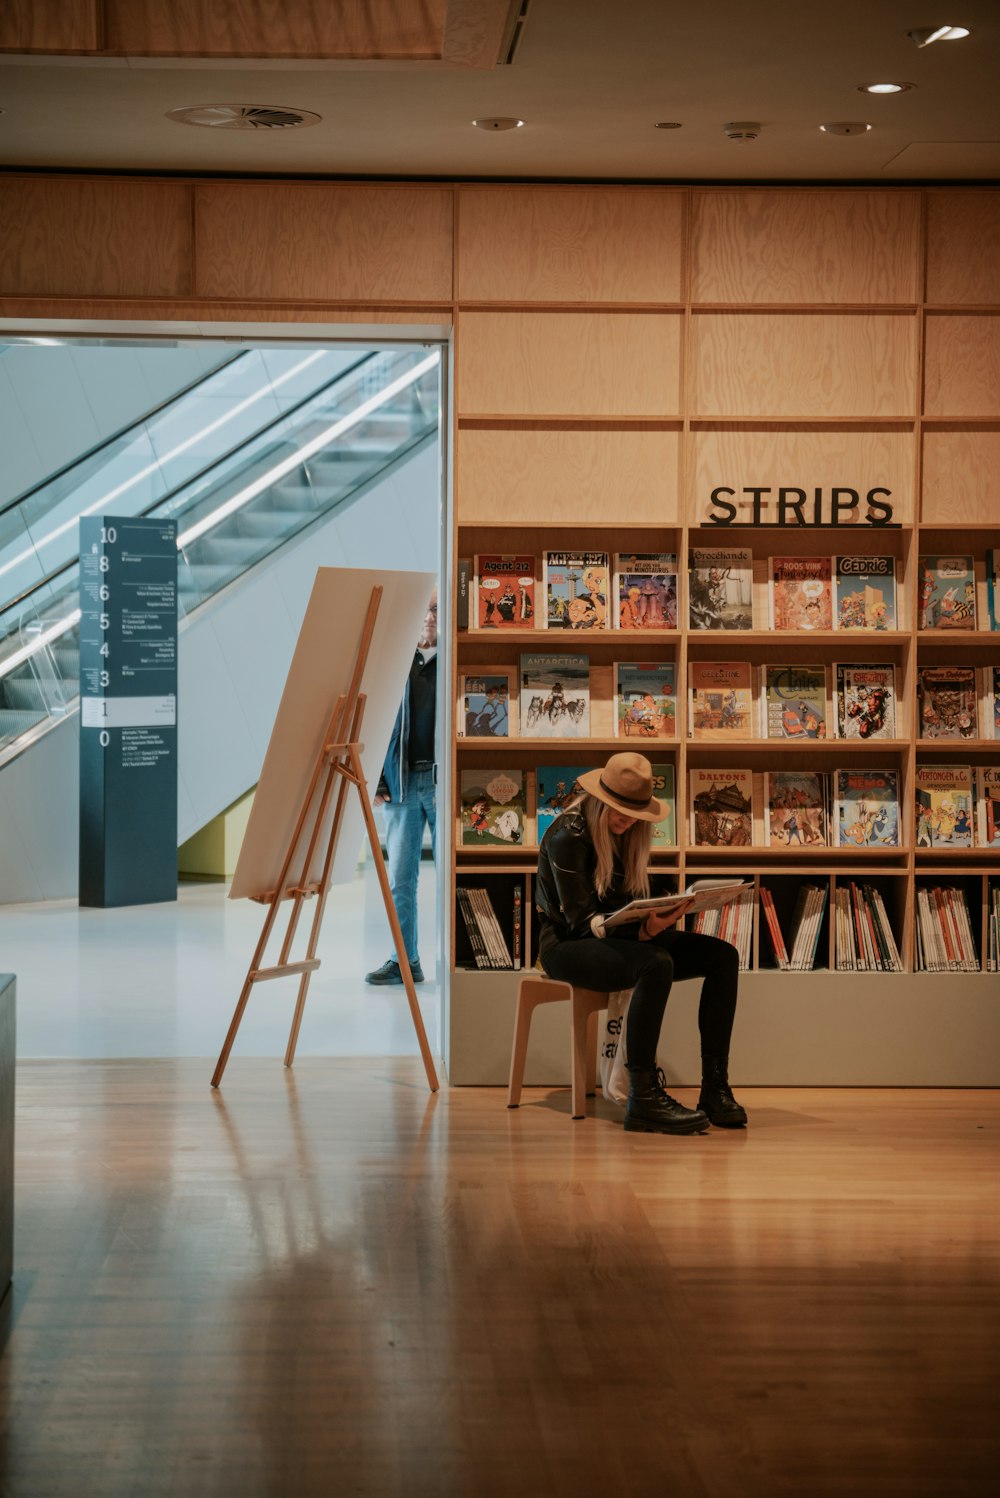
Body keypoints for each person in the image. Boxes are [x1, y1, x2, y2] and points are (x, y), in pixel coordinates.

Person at [534, 751, 747, 1134]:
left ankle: (715, 1088)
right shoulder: (568, 835)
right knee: (655, 962)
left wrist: (667, 909)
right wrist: (646, 932)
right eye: (619, 810)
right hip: (564, 945)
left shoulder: (627, 833)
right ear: (600, 800)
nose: (627, 820)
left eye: (634, 813)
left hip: (617, 937)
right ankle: (643, 1096)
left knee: (722, 956)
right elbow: (582, 924)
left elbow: (623, 904)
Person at [365, 590, 438, 986]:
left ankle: (461, 959)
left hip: (442, 781)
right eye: (422, 610)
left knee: (452, 875)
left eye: (436, 610)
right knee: (401, 879)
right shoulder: (394, 665)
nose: (428, 618)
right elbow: (375, 721)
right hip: (401, 782)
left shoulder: (452, 660)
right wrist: (377, 776)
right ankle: (404, 961)